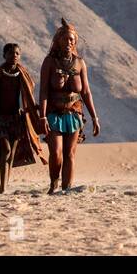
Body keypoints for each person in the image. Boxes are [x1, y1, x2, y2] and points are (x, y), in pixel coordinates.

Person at [38, 19, 100, 194]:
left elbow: (86, 92)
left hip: (74, 113)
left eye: (72, 40)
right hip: (53, 113)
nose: (69, 43)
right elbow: (43, 91)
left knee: (70, 154)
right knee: (56, 152)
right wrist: (42, 116)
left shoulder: (80, 63)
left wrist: (95, 118)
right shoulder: (49, 62)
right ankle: (54, 184)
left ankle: (67, 188)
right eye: (65, 39)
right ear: (58, 41)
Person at [0, 43, 46, 194]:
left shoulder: (22, 73)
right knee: (5, 149)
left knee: (11, 154)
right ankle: (2, 188)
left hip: (16, 119)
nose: (14, 56)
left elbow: (28, 93)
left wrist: (34, 107)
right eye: (10, 53)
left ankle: (5, 186)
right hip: (0, 119)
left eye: (17, 53)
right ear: (4, 55)